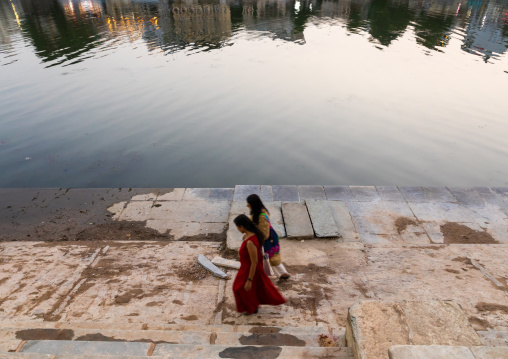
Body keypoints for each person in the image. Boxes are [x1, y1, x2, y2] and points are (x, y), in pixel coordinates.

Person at [232, 214, 286, 315]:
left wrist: (249, 279)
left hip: (248, 268)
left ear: (242, 227)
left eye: (238, 227)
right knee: (249, 289)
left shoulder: (249, 242)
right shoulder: (253, 234)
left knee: (238, 287)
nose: (238, 229)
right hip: (247, 266)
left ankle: (251, 307)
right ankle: (252, 306)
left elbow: (254, 262)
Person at [247, 194, 290, 281]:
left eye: (249, 204)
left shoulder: (261, 217)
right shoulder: (258, 212)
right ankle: (281, 274)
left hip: (266, 240)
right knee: (270, 257)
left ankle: (283, 274)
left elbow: (264, 233)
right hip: (265, 239)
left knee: (272, 258)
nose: (247, 205)